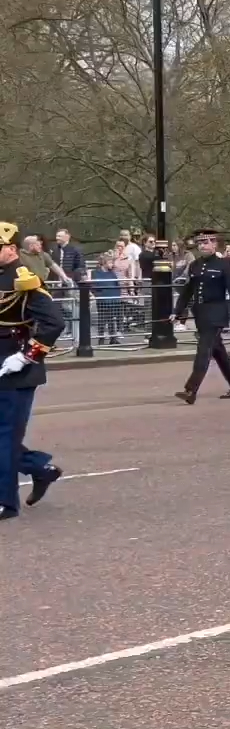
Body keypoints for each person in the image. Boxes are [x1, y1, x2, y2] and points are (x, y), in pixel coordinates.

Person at [0, 220, 65, 521]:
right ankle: (39, 467)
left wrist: (27, 356)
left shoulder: (26, 279)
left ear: (11, 249)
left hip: (15, 367)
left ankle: (5, 502)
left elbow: (54, 323)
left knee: (5, 435)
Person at [172, 230, 230, 405]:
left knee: (203, 350)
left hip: (217, 312)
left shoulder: (224, 264)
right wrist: (177, 311)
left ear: (215, 245)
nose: (202, 246)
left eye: (206, 243)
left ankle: (191, 389)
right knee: (218, 352)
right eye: (200, 243)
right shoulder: (195, 265)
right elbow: (188, 291)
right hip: (201, 313)